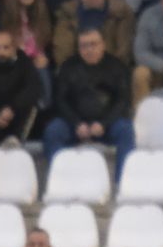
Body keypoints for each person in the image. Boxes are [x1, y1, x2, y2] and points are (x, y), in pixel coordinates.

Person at [44, 27, 136, 177]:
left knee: (126, 130)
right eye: (84, 45)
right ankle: (59, 179)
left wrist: (103, 123)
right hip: (75, 125)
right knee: (53, 130)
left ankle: (123, 181)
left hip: (107, 124)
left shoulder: (117, 66)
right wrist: (76, 123)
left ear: (103, 45)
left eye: (93, 44)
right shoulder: (68, 67)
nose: (89, 49)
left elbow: (123, 100)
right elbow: (60, 100)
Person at [52, 0, 136, 66]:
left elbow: (124, 51)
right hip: (76, 69)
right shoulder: (67, 12)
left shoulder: (121, 12)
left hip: (112, 69)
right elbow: (62, 49)